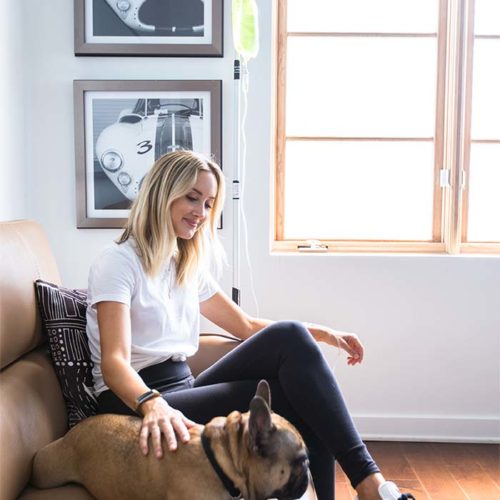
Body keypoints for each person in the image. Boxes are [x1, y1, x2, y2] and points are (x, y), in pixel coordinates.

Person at [86, 150, 415, 500]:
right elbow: (114, 362)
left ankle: (366, 485)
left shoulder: (182, 263)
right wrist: (153, 405)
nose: (201, 213)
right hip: (135, 402)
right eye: (192, 198)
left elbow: (244, 325)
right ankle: (370, 486)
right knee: (293, 390)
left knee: (290, 342)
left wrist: (321, 333)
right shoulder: (118, 263)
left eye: (210, 203)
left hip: (185, 388)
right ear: (161, 194)